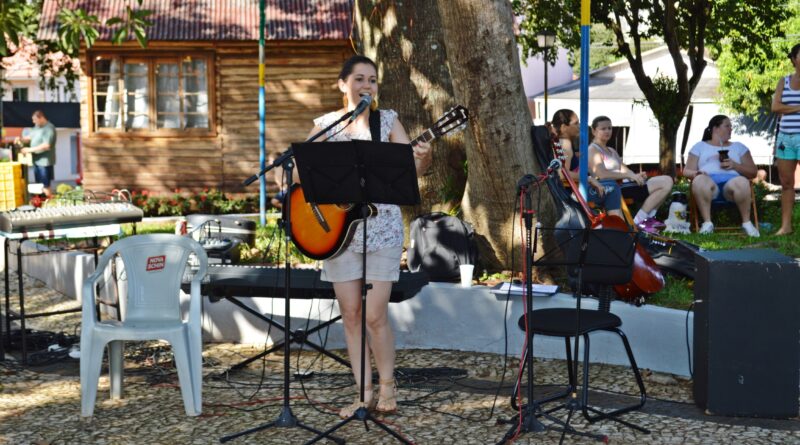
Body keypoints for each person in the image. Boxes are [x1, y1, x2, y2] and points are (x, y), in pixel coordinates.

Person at [306, 55, 432, 418]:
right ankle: (362, 393)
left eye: (372, 80)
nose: (367, 85)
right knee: (350, 313)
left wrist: (422, 158)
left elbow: (412, 170)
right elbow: (302, 175)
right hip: (339, 234)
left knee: (375, 315)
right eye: (359, 78)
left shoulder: (387, 121)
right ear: (342, 84)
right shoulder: (327, 125)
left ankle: (388, 386)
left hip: (383, 231)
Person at [588, 116, 674, 234]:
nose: (607, 131)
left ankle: (646, 219)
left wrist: (637, 175)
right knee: (665, 182)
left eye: (610, 128)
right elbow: (602, 175)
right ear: (593, 131)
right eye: (603, 129)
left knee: (667, 180)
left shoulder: (611, 150)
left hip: (624, 185)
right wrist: (629, 176)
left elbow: (626, 170)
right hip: (613, 189)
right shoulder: (592, 150)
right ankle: (639, 222)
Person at [683, 115, 760, 237]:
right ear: (715, 128)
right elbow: (686, 171)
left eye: (731, 126)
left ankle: (747, 223)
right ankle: (707, 224)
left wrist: (735, 166)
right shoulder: (700, 146)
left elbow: (753, 172)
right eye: (727, 126)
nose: (731, 129)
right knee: (699, 180)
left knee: (742, 181)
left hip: (732, 186)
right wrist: (695, 174)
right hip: (708, 184)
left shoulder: (739, 147)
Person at [549, 109, 623, 218]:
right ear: (564, 127)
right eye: (576, 123)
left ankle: (619, 227)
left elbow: (566, 163)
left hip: (574, 189)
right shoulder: (565, 145)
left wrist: (579, 156)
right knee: (612, 189)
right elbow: (561, 174)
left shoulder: (561, 142)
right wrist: (588, 178)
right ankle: (618, 228)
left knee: (609, 183)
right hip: (572, 194)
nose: (579, 126)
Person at [770, 43, 800, 236]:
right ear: (794, 59)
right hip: (785, 138)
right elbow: (775, 107)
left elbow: (782, 106)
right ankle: (786, 226)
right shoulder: (784, 81)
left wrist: (787, 107)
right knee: (787, 183)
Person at [15, 110, 57, 197]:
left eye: (35, 120)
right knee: (39, 185)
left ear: (41, 118)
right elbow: (30, 137)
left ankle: (49, 203)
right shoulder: (37, 127)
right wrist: (21, 139)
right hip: (36, 160)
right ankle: (40, 203)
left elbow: (46, 145)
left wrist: (29, 150)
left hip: (44, 162)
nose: (33, 122)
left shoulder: (49, 128)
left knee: (45, 185)